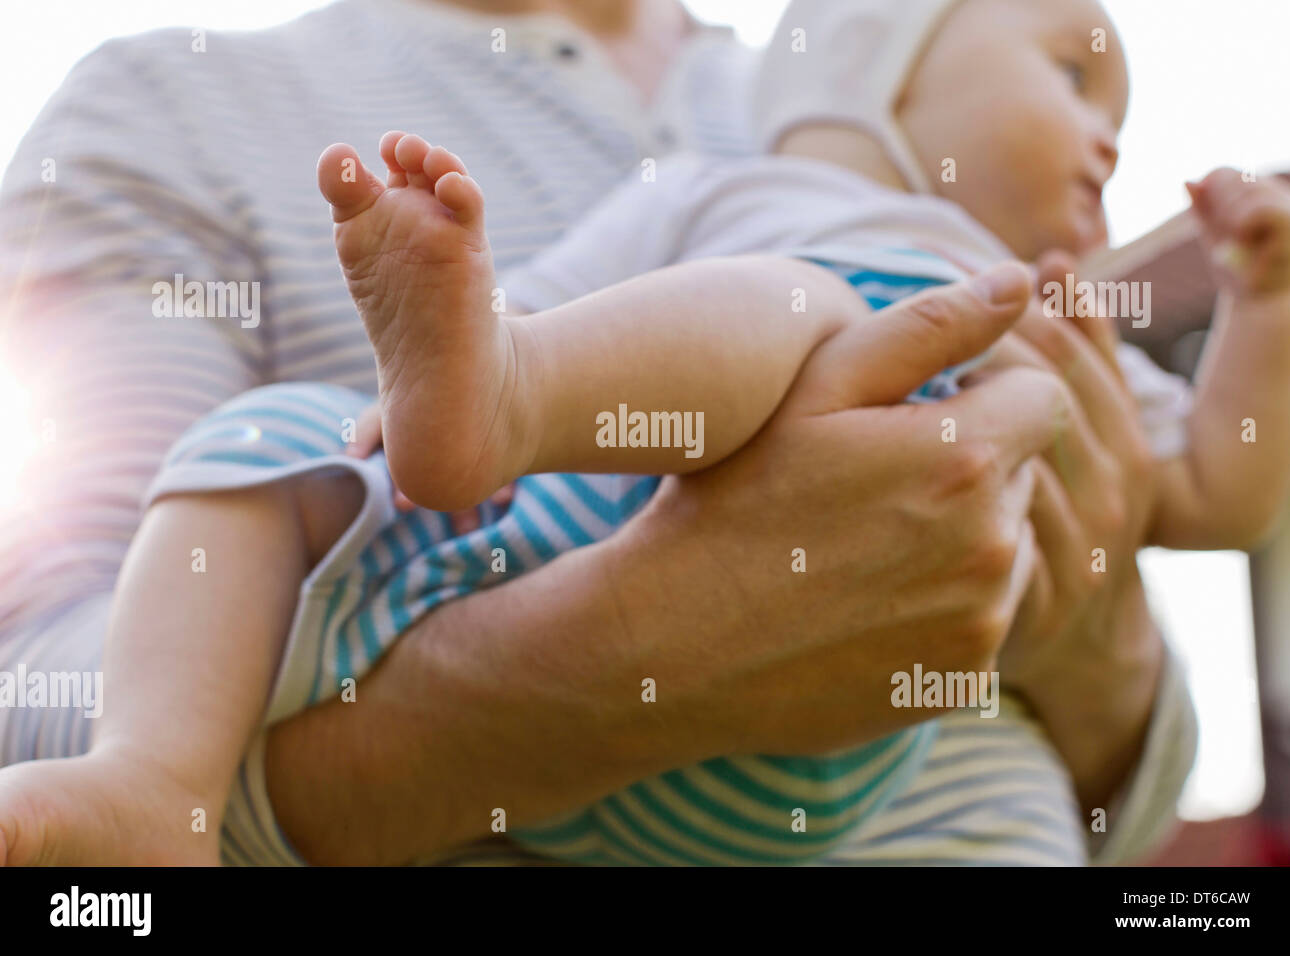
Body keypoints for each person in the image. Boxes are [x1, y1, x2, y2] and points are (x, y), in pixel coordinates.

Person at [0, 0, 1193, 866]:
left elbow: (1129, 787)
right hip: (578, 741)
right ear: (881, 75)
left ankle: (507, 397)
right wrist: (607, 668)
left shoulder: (843, 127)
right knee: (281, 444)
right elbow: (32, 682)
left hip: (913, 786)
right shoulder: (170, 103)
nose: (1109, 149)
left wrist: (1096, 642)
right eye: (1074, 79)